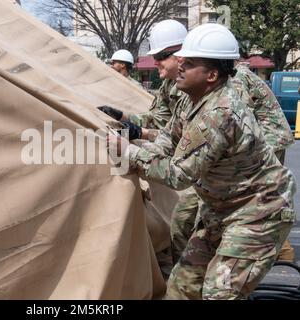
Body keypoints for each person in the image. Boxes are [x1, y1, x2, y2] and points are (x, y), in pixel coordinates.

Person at [109, 23, 296, 299]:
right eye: (181, 60)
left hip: (258, 211)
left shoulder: (220, 112)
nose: (180, 67)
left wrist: (128, 152)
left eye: (190, 63)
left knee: (218, 293)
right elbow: (168, 138)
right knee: (182, 287)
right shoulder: (190, 97)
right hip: (222, 206)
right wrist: (134, 138)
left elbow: (178, 175)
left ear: (211, 74)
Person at [170, 47, 297, 266]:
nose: (180, 62)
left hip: (267, 142)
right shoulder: (195, 83)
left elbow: (223, 127)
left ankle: (273, 253)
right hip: (251, 143)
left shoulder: (232, 83)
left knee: (255, 199)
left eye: (187, 60)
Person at [99, 20, 188, 141]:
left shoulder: (195, 89)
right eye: (154, 57)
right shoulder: (168, 83)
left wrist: (140, 133)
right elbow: (158, 119)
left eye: (160, 57)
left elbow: (180, 139)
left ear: (181, 55)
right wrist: (122, 117)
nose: (155, 62)